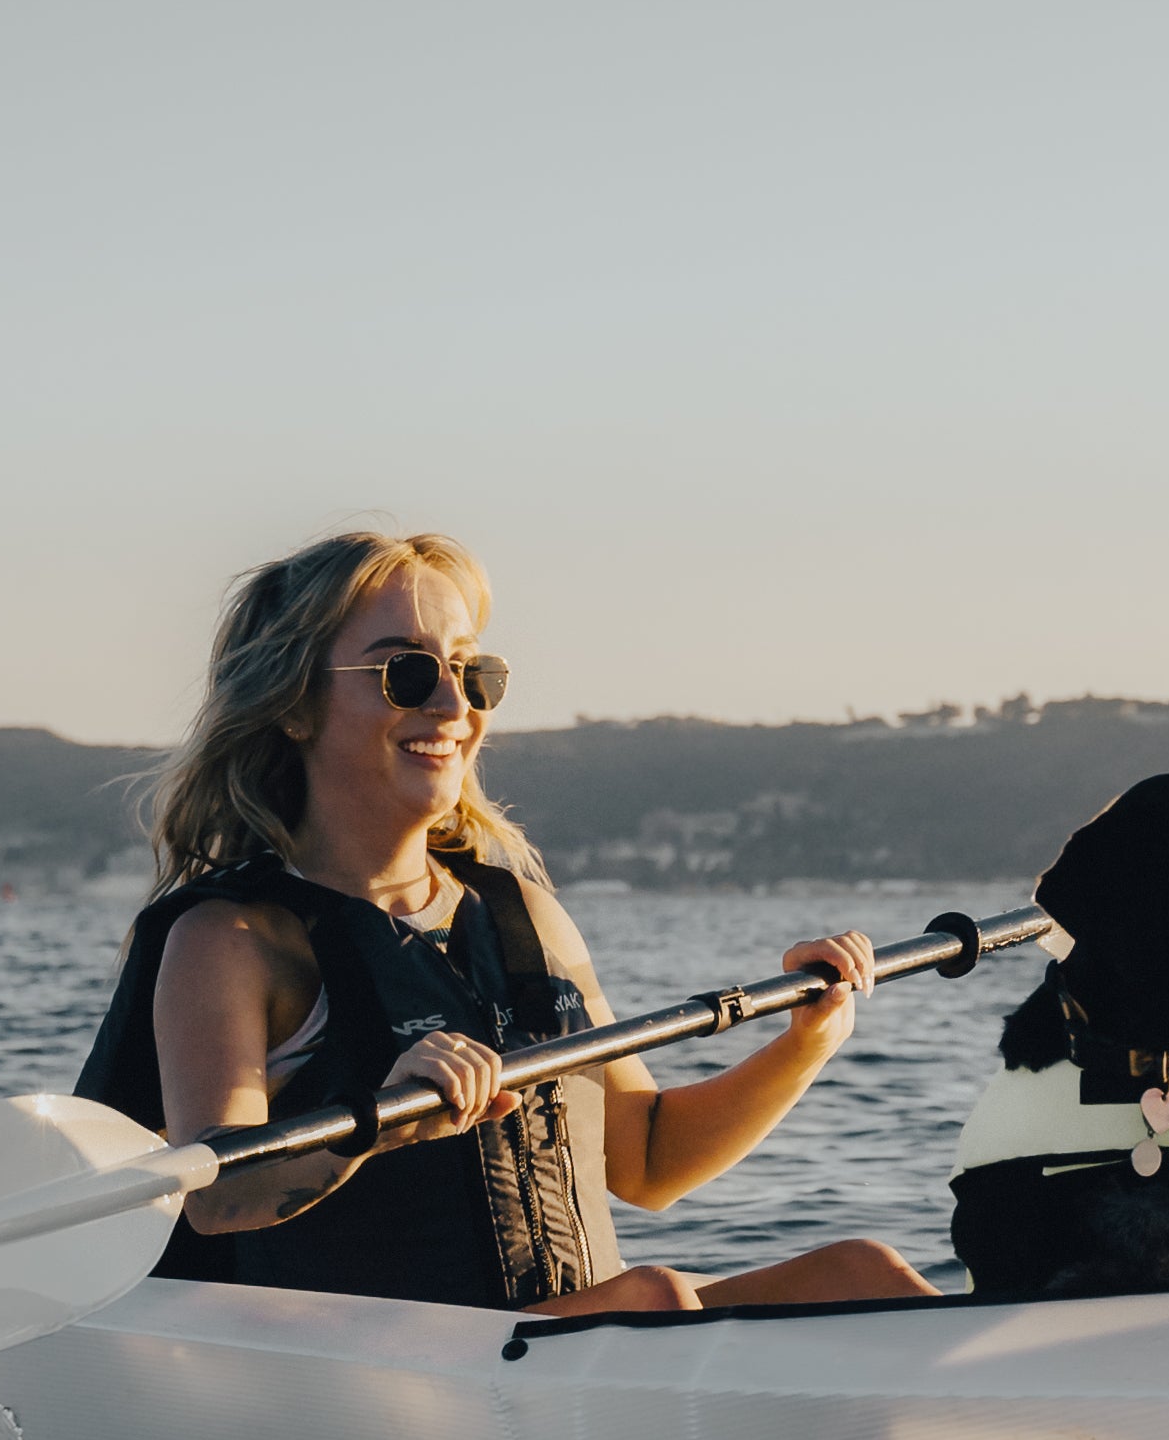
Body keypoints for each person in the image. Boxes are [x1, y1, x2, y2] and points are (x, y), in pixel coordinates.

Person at [72, 530, 931, 1316]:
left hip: (568, 1352)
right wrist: (385, 1118)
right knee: (655, 1301)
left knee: (864, 1274)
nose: (454, 707)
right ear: (294, 707)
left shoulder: (526, 918)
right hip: (383, 1381)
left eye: (472, 673)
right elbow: (219, 1194)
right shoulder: (233, 941)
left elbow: (648, 1161)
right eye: (405, 673)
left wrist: (807, 1040)